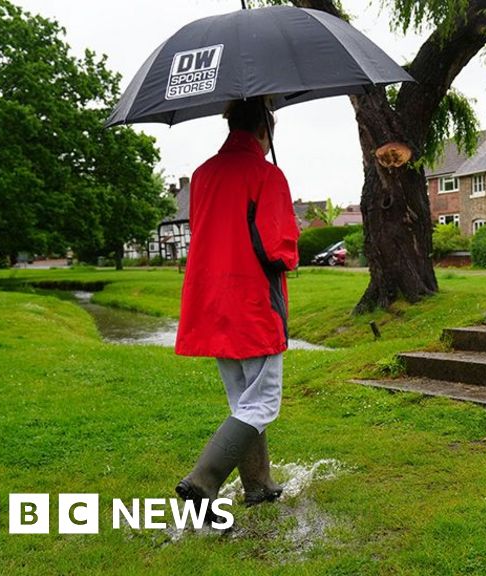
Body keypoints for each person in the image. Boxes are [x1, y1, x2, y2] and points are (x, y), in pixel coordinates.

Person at [174, 97, 299, 513]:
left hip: (211, 303)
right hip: (253, 304)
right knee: (262, 403)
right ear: (265, 129)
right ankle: (203, 480)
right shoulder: (267, 175)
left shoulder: (202, 175)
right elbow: (279, 250)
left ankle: (258, 485)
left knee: (243, 402)